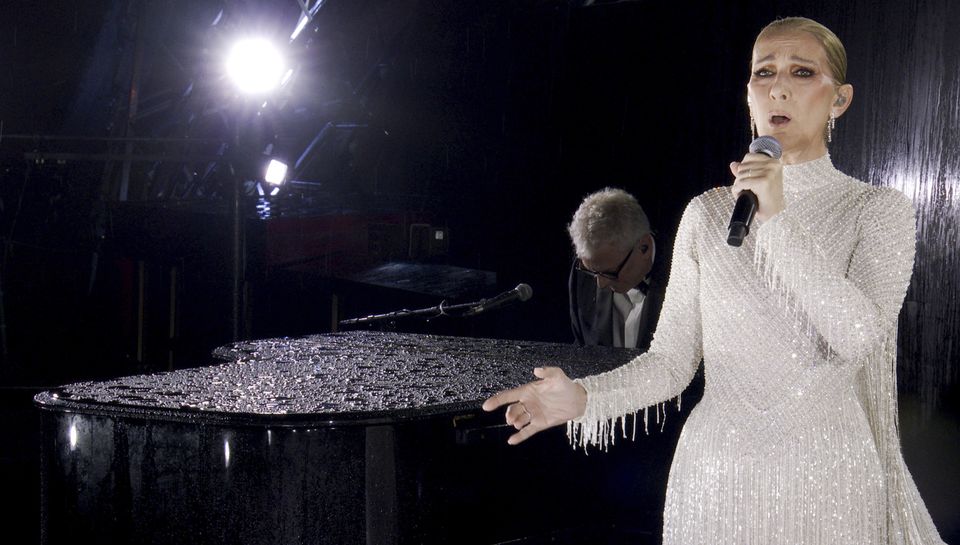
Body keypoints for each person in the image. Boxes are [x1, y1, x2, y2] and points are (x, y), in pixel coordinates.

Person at [483, 16, 945, 545]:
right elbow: (672, 362)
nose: (778, 86)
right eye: (763, 72)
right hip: (714, 479)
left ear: (839, 100)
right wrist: (585, 399)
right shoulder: (706, 214)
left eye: (801, 71)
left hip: (830, 480)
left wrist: (777, 220)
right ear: (748, 94)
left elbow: (860, 335)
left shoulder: (877, 210)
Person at [567, 188, 664, 350]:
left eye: (610, 273)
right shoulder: (583, 273)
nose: (600, 284)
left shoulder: (688, 276)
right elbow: (583, 353)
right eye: (592, 271)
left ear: (644, 248)